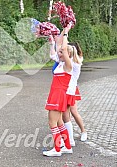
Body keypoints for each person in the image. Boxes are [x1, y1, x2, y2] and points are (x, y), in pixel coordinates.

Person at [43, 25, 73, 157]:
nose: (59, 53)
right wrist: (51, 42)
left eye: (61, 52)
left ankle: (57, 149)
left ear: (67, 54)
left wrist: (65, 32)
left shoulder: (68, 65)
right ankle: (66, 146)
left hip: (58, 95)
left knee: (52, 122)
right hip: (56, 94)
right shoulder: (60, 64)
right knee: (59, 121)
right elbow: (52, 55)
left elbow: (64, 48)